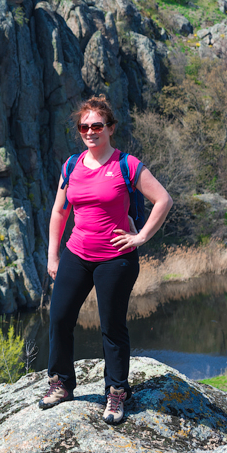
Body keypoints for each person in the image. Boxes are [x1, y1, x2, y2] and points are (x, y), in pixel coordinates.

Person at [38, 95, 173, 424]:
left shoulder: (127, 165)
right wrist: (53, 255)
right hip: (76, 253)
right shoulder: (71, 165)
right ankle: (61, 384)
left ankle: (116, 392)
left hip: (116, 259)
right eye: (84, 127)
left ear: (110, 128)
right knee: (59, 318)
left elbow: (163, 200)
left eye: (97, 125)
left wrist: (140, 237)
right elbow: (59, 211)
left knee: (111, 326)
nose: (90, 131)